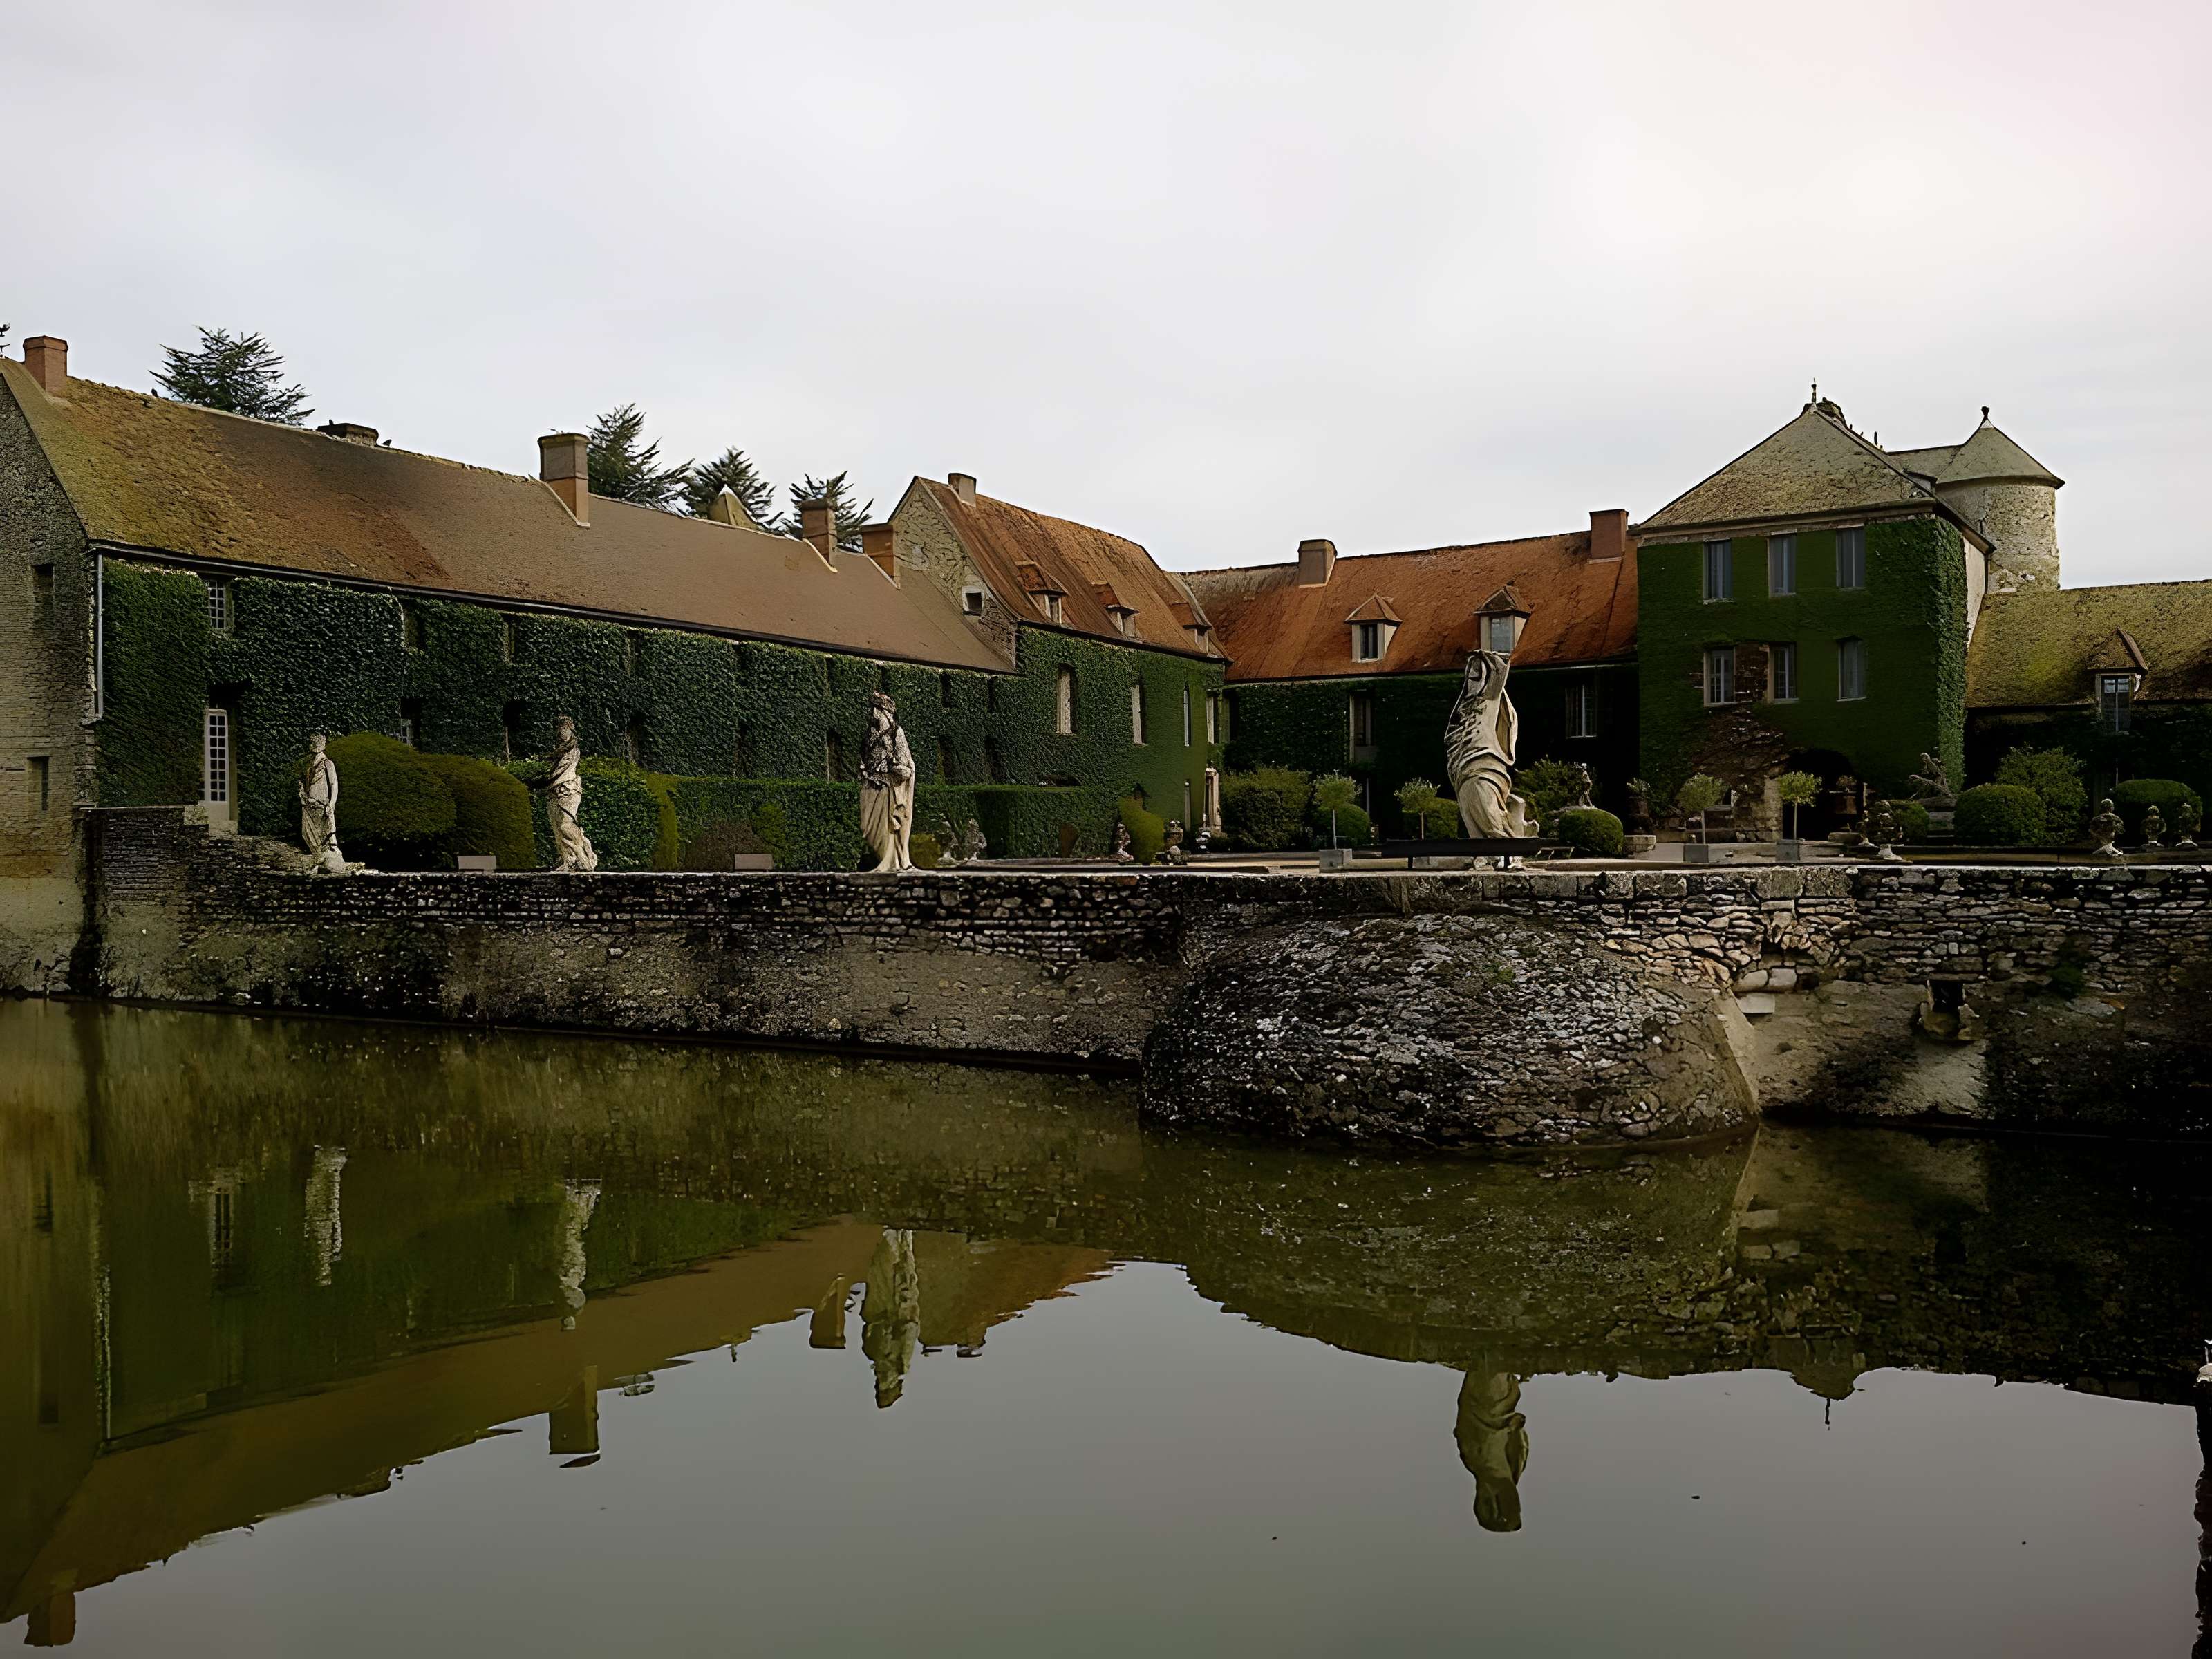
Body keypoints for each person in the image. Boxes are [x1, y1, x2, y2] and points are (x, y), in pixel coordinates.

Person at [1445, 650, 1535, 839]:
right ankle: (1484, 852)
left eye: (1477, 677)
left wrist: (1487, 656)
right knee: (1470, 811)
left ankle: (1505, 843)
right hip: (1462, 767)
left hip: (1485, 765)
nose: (1473, 683)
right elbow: (1451, 735)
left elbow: (1501, 669)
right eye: (1470, 678)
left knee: (1485, 808)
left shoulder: (1491, 698)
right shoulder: (1463, 706)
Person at [530, 715, 598, 872]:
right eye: (559, 730)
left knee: (566, 825)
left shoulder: (573, 750)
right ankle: (569, 859)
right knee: (557, 828)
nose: (561, 734)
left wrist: (542, 777)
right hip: (554, 790)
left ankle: (584, 856)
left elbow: (560, 769)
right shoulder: (557, 753)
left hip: (568, 788)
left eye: (564, 730)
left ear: (571, 730)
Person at [859, 692, 915, 873]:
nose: (874, 714)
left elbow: (906, 764)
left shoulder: (896, 732)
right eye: (874, 710)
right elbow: (864, 756)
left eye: (878, 710)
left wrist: (897, 769)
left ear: (886, 713)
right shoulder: (869, 734)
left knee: (888, 827)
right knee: (868, 827)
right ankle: (886, 862)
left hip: (888, 786)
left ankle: (894, 862)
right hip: (871, 784)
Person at [297, 733, 347, 874]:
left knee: (327, 836)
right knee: (308, 833)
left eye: (316, 743)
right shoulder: (310, 767)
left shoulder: (327, 764)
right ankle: (319, 859)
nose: (313, 746)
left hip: (323, 806)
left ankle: (329, 860)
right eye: (312, 743)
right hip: (311, 806)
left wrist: (332, 803)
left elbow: (334, 784)